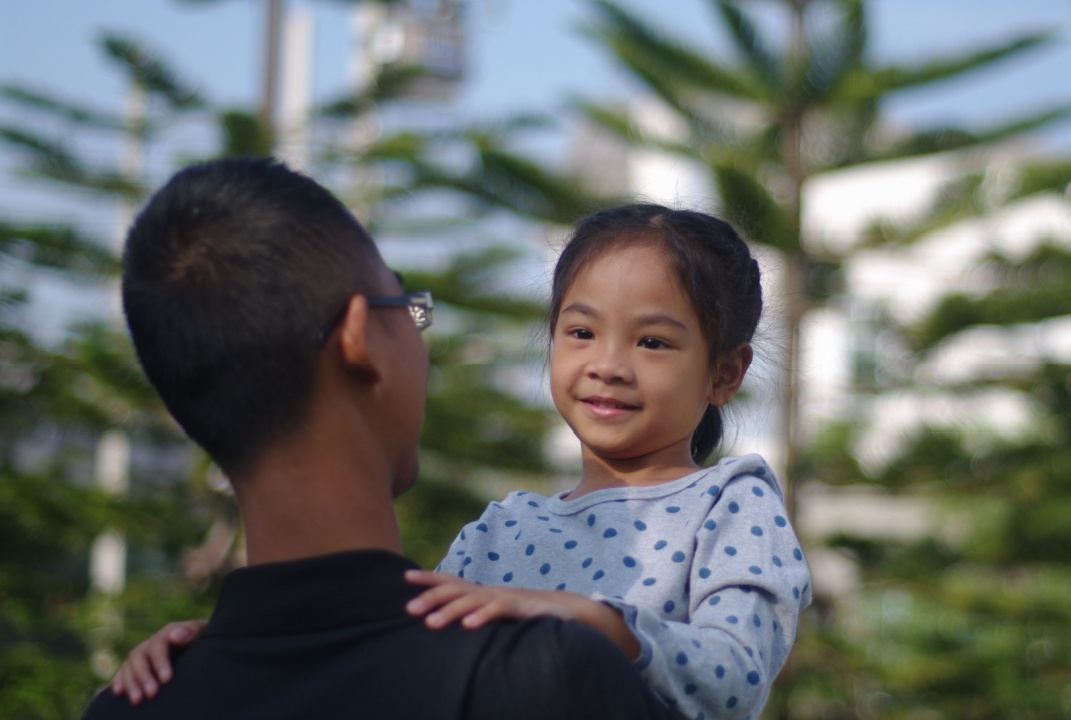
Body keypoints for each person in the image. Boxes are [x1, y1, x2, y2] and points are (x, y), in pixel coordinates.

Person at [113, 203, 812, 720]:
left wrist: (593, 621)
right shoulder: (502, 529)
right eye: (580, 331)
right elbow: (396, 644)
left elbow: (736, 677)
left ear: (725, 374)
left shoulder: (733, 501)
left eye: (653, 343)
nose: (607, 365)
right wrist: (229, 643)